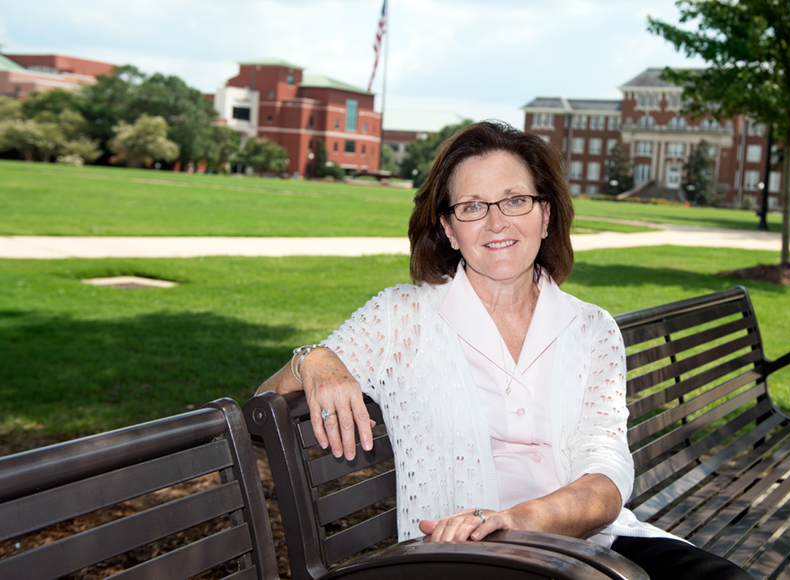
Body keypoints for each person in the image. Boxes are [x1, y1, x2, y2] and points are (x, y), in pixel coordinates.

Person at [258, 120, 752, 580]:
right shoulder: (400, 318)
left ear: (545, 214)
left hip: (598, 544)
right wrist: (313, 359)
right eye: (472, 206)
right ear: (449, 230)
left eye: (515, 200)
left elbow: (606, 480)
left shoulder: (591, 329)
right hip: (462, 559)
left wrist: (511, 520)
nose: (496, 222)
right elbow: (262, 409)